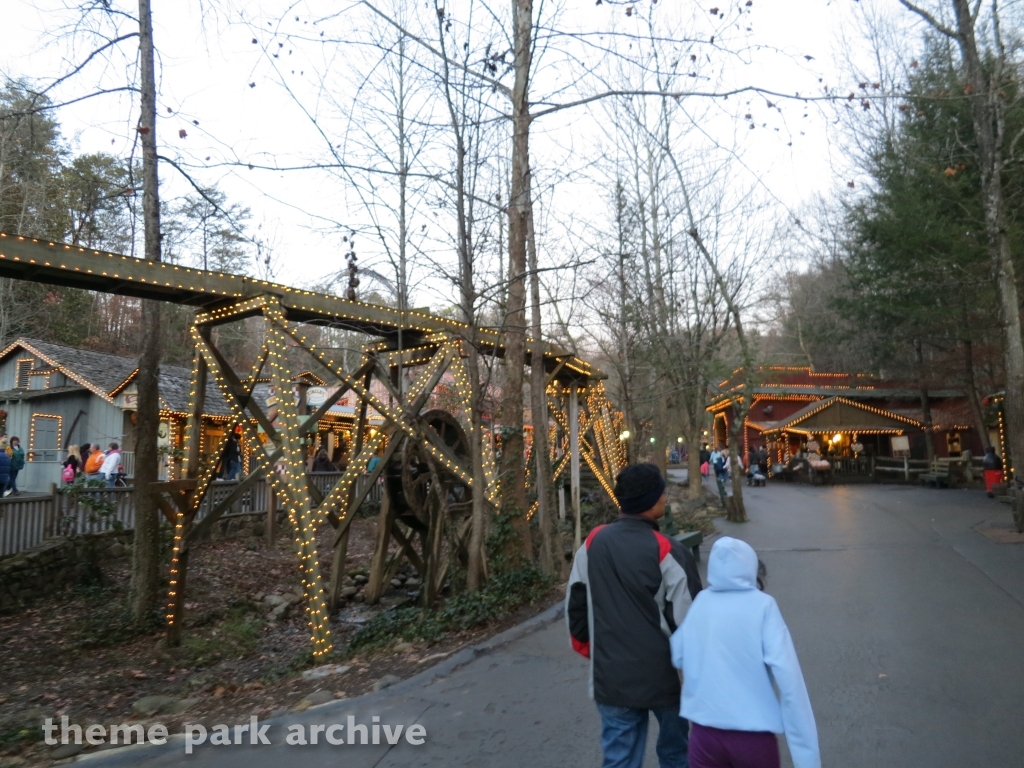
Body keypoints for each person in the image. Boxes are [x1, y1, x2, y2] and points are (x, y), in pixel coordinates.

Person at [567, 463, 703, 768]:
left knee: (620, 759)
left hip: (612, 676)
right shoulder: (668, 550)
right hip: (667, 677)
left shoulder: (592, 543)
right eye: (662, 492)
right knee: (676, 755)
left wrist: (592, 650)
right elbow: (691, 622)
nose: (666, 498)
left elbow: (576, 604)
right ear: (652, 500)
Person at [671, 537, 820, 768]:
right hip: (753, 736)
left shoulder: (701, 602)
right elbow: (789, 678)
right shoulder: (763, 606)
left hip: (704, 733)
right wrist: (807, 759)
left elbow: (678, 653)